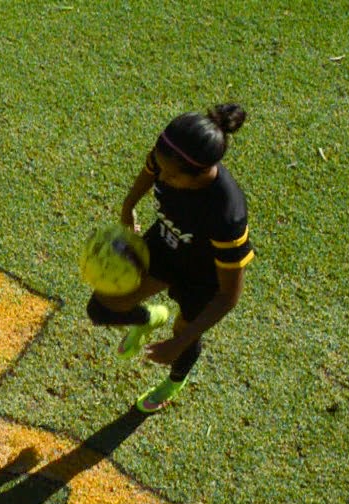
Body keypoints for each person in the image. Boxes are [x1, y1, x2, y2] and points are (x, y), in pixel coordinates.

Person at [86, 103, 255, 413]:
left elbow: (229, 296)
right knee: (101, 307)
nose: (162, 177)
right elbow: (151, 171)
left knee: (184, 338)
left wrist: (179, 343)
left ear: (201, 173)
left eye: (170, 176)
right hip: (163, 246)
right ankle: (151, 318)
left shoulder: (226, 215)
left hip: (203, 280)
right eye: (160, 167)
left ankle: (175, 381)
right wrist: (128, 207)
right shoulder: (170, 160)